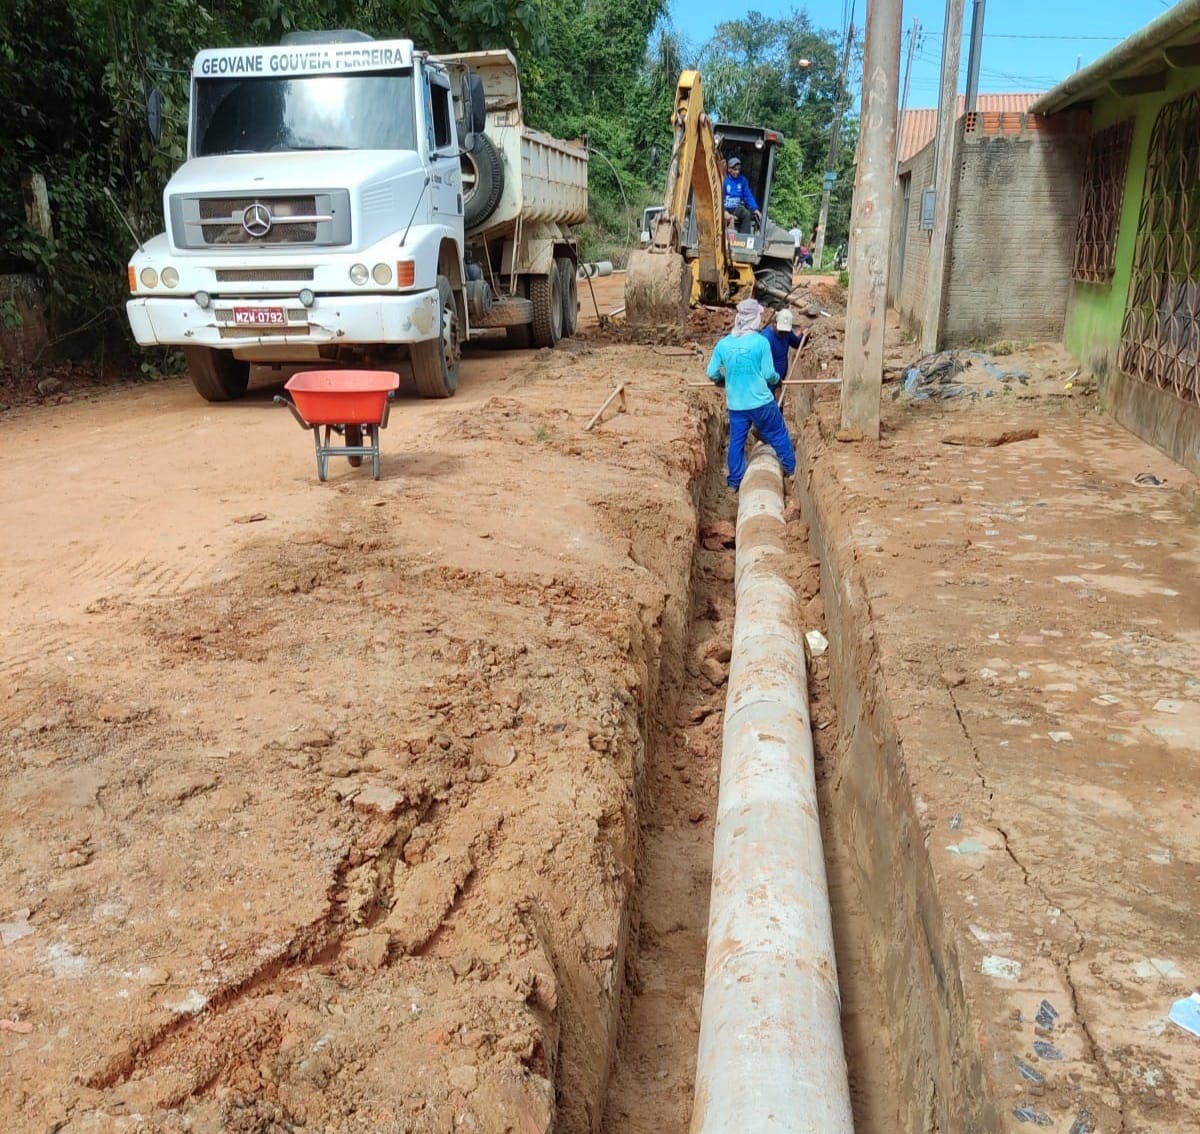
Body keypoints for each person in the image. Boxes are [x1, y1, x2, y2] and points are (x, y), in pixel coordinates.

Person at [706, 298, 797, 491]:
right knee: (779, 434)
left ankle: (734, 482)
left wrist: (723, 381)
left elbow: (711, 373)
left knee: (736, 444)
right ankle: (792, 471)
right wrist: (777, 380)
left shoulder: (723, 344)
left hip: (736, 405)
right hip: (761, 403)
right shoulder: (761, 342)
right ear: (755, 318)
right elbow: (769, 374)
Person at [760, 307, 807, 385]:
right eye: (781, 331)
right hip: (766, 383)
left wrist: (804, 336)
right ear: (774, 324)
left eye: (785, 331)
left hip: (780, 381)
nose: (783, 333)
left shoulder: (786, 333)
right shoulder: (766, 339)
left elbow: (797, 343)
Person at [722, 156, 761, 231]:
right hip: (724, 207)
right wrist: (724, 212)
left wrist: (755, 209)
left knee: (746, 214)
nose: (737, 172)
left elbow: (748, 196)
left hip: (736, 208)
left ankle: (744, 238)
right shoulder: (723, 179)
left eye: (738, 170)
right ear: (729, 169)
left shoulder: (742, 180)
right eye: (735, 169)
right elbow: (718, 198)